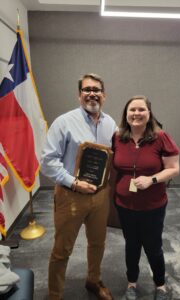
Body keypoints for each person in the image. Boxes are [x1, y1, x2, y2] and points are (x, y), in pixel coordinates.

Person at [41, 73, 117, 300]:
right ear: (79, 95)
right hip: (70, 195)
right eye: (87, 89)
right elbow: (47, 161)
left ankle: (93, 281)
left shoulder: (110, 123)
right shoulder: (64, 122)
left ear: (104, 95)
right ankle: (55, 295)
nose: (92, 93)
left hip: (100, 195)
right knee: (62, 249)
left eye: (97, 90)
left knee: (98, 243)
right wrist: (74, 182)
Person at [112, 95, 180, 300]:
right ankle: (131, 283)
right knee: (131, 244)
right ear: (126, 114)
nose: (136, 114)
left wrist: (151, 179)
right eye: (132, 110)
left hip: (153, 205)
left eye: (141, 110)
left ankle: (160, 286)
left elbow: (174, 169)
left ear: (149, 113)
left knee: (153, 246)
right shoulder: (118, 137)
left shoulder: (161, 137)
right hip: (124, 204)